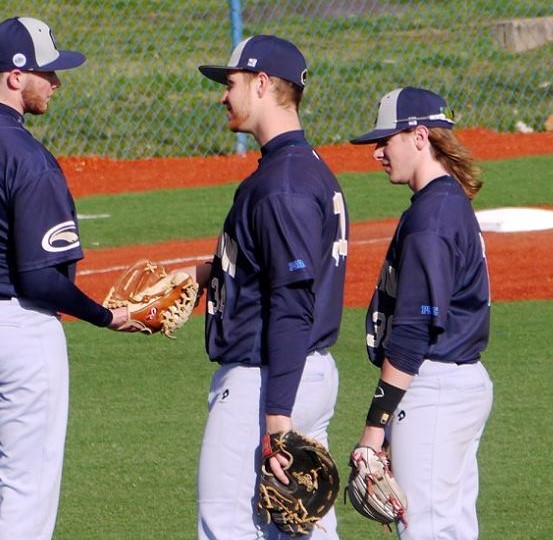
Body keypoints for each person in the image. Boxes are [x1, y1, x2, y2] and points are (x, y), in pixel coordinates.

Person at [0, 16, 130, 540]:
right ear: (15, 76)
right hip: (17, 332)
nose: (56, 83)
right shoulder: (26, 155)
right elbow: (41, 280)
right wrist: (106, 316)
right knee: (28, 492)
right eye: (47, 73)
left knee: (10, 482)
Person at [187, 35, 349, 539]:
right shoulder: (310, 169)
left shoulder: (281, 185)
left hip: (269, 377)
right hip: (306, 371)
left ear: (260, 84)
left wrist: (277, 418)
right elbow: (277, 268)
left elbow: (292, 299)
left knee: (227, 522)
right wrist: (204, 276)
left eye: (230, 84)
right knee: (302, 527)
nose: (222, 96)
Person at [349, 87, 494, 540]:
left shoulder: (431, 218)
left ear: (418, 136)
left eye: (385, 140)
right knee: (450, 528)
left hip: (434, 388)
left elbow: (412, 331)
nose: (377, 153)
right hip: (458, 383)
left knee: (426, 531)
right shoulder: (450, 203)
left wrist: (375, 427)